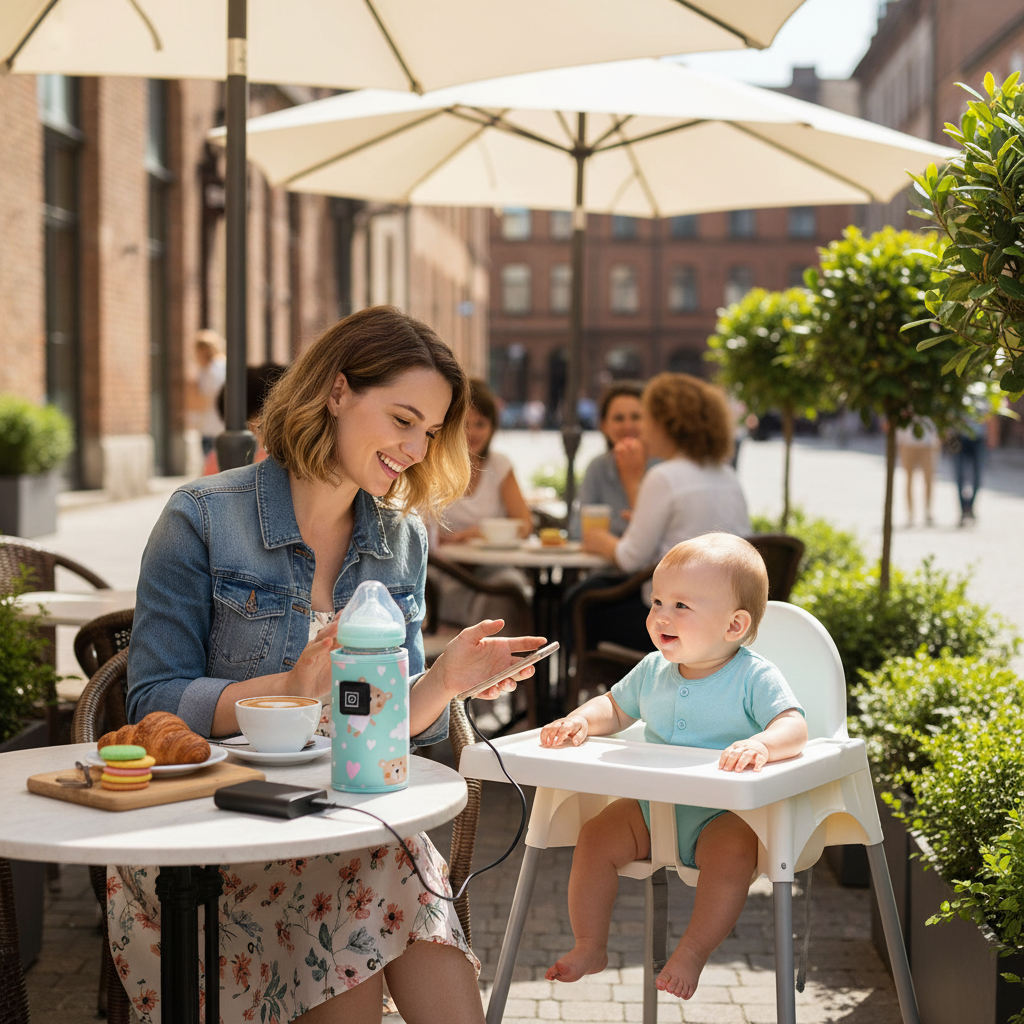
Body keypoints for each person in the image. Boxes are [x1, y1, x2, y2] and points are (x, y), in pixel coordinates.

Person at [112, 307, 546, 1024]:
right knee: (368, 891)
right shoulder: (202, 517)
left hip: (345, 821)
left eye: (430, 432)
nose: (414, 447)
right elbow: (149, 704)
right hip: (209, 838)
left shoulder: (399, 536)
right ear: (337, 392)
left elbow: (390, 735)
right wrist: (283, 691)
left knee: (384, 870)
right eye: (402, 419)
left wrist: (444, 679)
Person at [540, 533, 807, 1000]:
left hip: (722, 815)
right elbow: (615, 708)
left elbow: (794, 725)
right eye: (657, 601)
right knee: (595, 837)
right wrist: (581, 720)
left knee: (732, 857)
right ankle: (590, 943)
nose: (661, 615)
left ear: (734, 625)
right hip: (651, 807)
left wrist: (762, 744)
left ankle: (693, 950)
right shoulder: (651, 670)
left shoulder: (753, 675)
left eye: (681, 606)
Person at [578, 373, 751, 652]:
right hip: (723, 619)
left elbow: (629, 558)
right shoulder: (726, 474)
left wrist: (599, 540)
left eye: (645, 417)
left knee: (577, 604)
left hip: (676, 621)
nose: (641, 429)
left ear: (664, 424)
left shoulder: (665, 476)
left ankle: (601, 688)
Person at [430, 378, 534, 635]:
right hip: (445, 572)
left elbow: (525, 524)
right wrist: (454, 539)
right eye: (464, 424)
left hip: (492, 569)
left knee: (510, 587)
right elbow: (421, 534)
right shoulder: (433, 467)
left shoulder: (499, 465)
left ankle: (505, 668)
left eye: (480, 424)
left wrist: (484, 533)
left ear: (492, 428)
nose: (472, 432)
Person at [569, 383, 655, 540]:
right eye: (618, 418)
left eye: (636, 417)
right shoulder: (598, 467)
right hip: (602, 563)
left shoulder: (662, 468)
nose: (628, 426)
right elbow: (578, 531)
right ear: (603, 426)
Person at [895, 417, 940, 526]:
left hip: (926, 444)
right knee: (909, 479)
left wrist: (936, 440)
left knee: (928, 479)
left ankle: (928, 512)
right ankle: (910, 514)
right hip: (908, 444)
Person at [190, 329, 227, 457]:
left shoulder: (210, 371)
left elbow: (200, 402)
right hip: (219, 427)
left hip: (212, 429)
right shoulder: (223, 366)